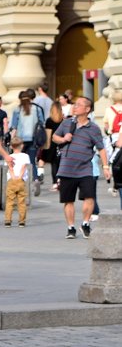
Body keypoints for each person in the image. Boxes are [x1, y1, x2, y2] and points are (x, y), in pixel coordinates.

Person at [52, 96, 111, 239]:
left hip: (85, 169)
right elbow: (54, 137)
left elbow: (101, 148)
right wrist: (63, 139)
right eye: (75, 104)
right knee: (68, 200)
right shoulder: (66, 123)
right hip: (66, 169)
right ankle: (70, 227)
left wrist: (105, 167)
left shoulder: (94, 128)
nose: (75, 106)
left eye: (78, 105)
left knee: (89, 197)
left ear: (87, 109)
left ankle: (85, 223)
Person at [10, 89, 45, 195]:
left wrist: (12, 138)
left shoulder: (17, 109)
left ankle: (19, 181)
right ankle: (35, 180)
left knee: (18, 160)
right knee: (32, 161)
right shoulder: (37, 108)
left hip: (20, 140)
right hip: (33, 139)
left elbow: (14, 126)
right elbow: (42, 123)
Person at [3, 134, 31, 227]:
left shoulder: (9, 156)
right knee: (21, 201)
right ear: (22, 145)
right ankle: (21, 221)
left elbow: (10, 167)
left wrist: (13, 176)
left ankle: (8, 220)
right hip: (21, 180)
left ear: (11, 146)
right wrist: (20, 176)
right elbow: (23, 167)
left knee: (10, 201)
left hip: (11, 180)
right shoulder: (25, 156)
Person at [39, 99, 63, 192]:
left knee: (54, 164)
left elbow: (47, 133)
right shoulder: (63, 120)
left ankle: (55, 183)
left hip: (51, 144)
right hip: (61, 143)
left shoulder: (49, 120)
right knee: (61, 164)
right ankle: (60, 181)